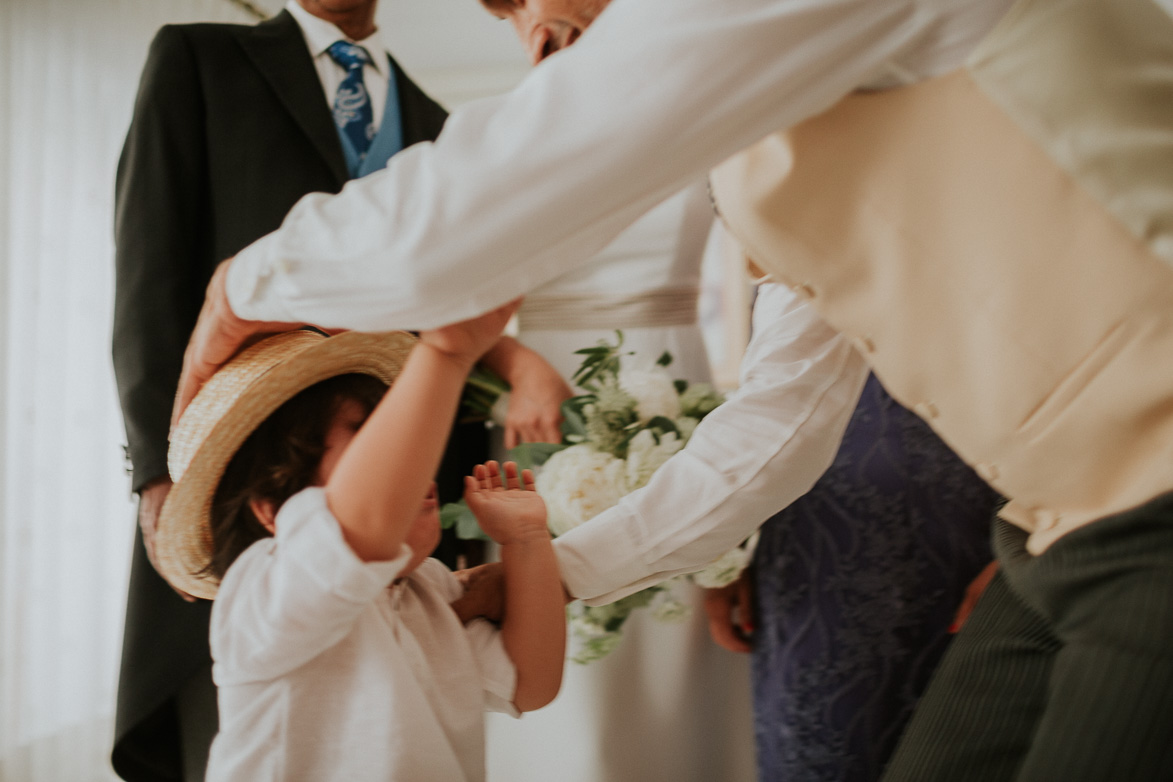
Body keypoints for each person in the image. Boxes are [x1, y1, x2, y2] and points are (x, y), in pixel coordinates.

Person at [173, 0, 1173, 778]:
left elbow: (457, 222)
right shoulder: (767, 135)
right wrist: (555, 571)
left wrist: (241, 284)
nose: (530, 34)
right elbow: (778, 426)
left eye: (518, 1)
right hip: (1068, 532)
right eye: (503, 18)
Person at [110, 1, 565, 778]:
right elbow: (150, 277)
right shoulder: (201, 61)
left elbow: (439, 302)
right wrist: (162, 477)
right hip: (255, 463)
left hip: (402, 437)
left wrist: (506, 364)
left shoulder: (437, 123)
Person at [153, 315, 565, 782]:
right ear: (272, 511)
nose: (413, 463)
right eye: (371, 443)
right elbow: (356, 528)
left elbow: (527, 684)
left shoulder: (425, 589)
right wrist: (448, 353)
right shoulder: (262, 587)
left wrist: (526, 540)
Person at [485, 184, 755, 782]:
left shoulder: (715, 130)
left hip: (676, 381)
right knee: (558, 618)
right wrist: (517, 365)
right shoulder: (504, 134)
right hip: (547, 399)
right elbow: (428, 305)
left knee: (677, 630)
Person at [705, 368, 999, 781]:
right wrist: (719, 547)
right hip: (813, 537)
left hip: (981, 516)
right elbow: (768, 390)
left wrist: (1039, 536)